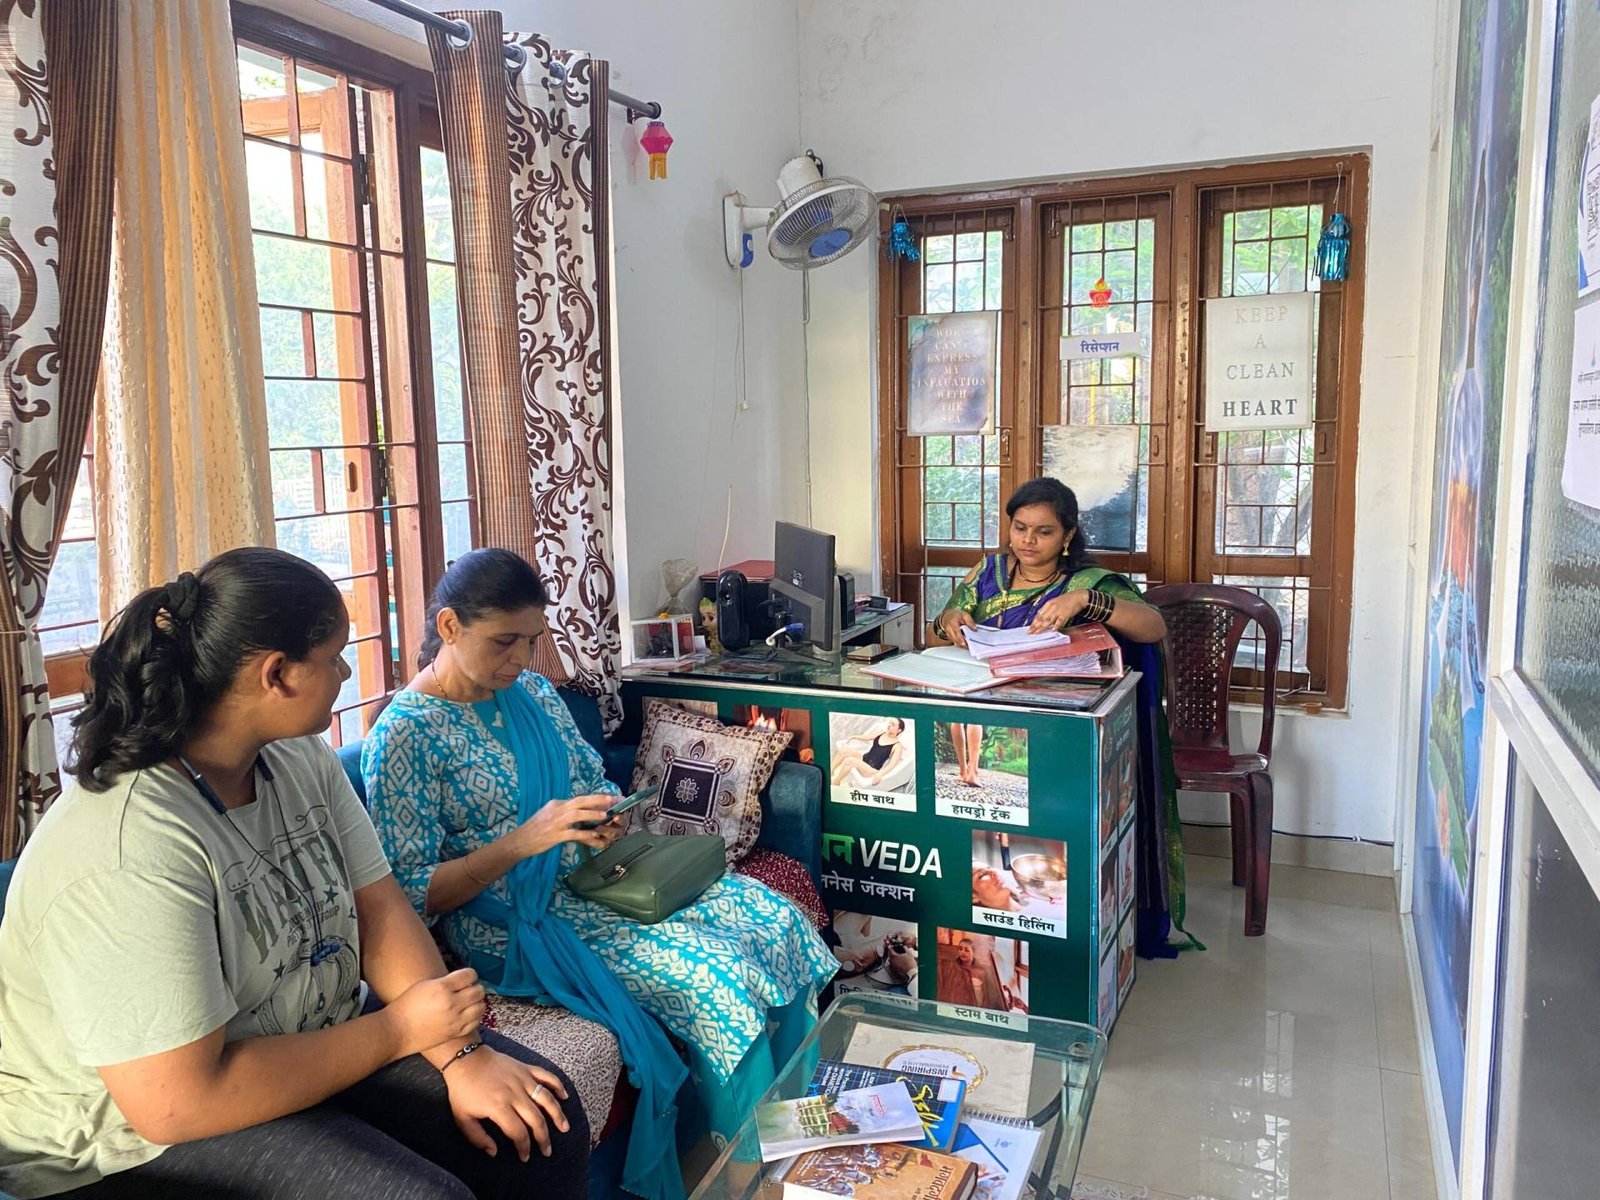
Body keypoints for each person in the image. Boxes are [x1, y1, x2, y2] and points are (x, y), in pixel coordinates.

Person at [0, 548, 587, 1200]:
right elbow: (177, 1101)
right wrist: (403, 1028)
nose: (345, 672)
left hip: (299, 1035)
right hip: (127, 1139)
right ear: (276, 674)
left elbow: (379, 907)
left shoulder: (298, 756)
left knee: (545, 1124)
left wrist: (461, 1054)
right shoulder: (130, 845)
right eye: (334, 657)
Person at [361, 549, 839, 1200]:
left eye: (531, 641)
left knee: (776, 921)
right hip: (512, 920)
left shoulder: (533, 694)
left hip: (600, 875)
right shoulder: (405, 736)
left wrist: (605, 817)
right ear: (449, 627)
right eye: (503, 642)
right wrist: (523, 842)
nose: (521, 659)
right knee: (718, 984)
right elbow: (411, 895)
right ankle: (748, 1178)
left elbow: (591, 780)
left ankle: (800, 1136)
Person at [934, 477, 1193, 957]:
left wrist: (1086, 603)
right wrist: (949, 621)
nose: (1028, 541)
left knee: (1056, 829)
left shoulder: (1087, 583)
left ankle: (1078, 929)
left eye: (1044, 531)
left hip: (1060, 724)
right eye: (1020, 527)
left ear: (1068, 535)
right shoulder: (988, 571)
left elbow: (1153, 626)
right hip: (985, 702)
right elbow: (945, 621)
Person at [829, 717, 907, 788]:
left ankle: (835, 782)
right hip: (864, 758)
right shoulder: (882, 733)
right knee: (844, 751)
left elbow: (892, 764)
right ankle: (829, 771)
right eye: (890, 723)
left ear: (899, 730)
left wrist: (880, 774)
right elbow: (869, 737)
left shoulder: (897, 746)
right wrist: (854, 736)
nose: (889, 725)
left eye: (893, 725)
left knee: (849, 761)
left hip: (871, 769)